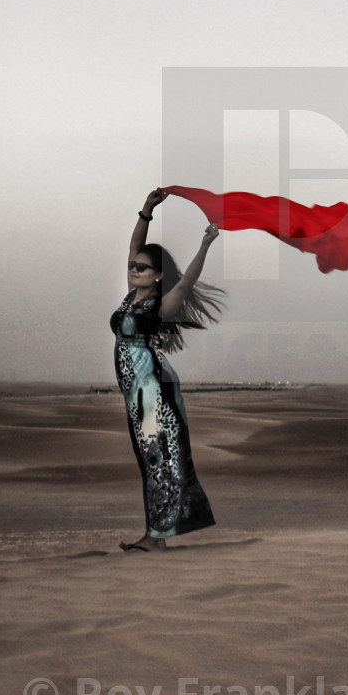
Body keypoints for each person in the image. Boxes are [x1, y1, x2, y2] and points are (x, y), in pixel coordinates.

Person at [111, 187, 224, 552]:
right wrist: (146, 209)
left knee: (159, 459)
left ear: (158, 276)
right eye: (133, 267)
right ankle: (153, 536)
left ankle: (156, 540)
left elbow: (187, 281)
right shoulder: (131, 297)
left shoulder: (161, 305)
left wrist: (206, 244)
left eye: (141, 268)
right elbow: (134, 247)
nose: (133, 270)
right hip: (136, 393)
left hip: (153, 391)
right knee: (150, 461)